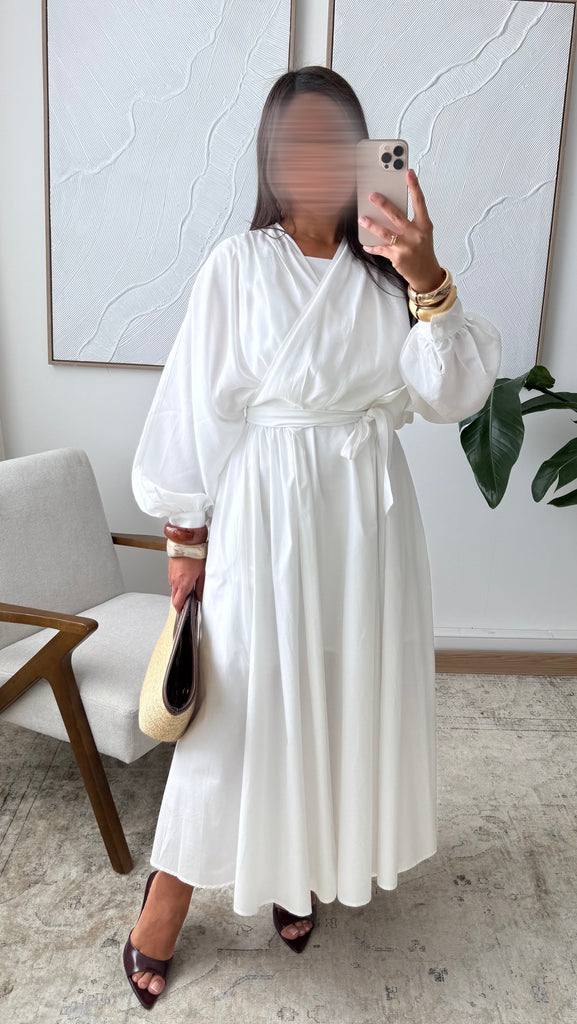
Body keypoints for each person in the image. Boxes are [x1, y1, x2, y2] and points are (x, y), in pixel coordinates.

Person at [124, 65, 502, 1007]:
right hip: (267, 514)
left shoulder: (388, 274)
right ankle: (163, 907)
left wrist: (426, 276)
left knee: (335, 696)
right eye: (294, 143)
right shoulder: (238, 264)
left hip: (367, 522)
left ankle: (296, 874)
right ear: (269, 156)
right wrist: (185, 545)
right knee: (238, 715)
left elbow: (453, 396)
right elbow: (192, 410)